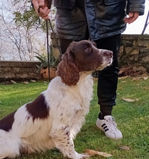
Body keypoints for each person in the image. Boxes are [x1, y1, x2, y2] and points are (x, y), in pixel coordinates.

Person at [32, 0, 145, 140]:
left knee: (110, 67)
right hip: (69, 12)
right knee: (68, 67)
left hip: (108, 10)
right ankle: (63, 121)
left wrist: (136, 4)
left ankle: (105, 117)